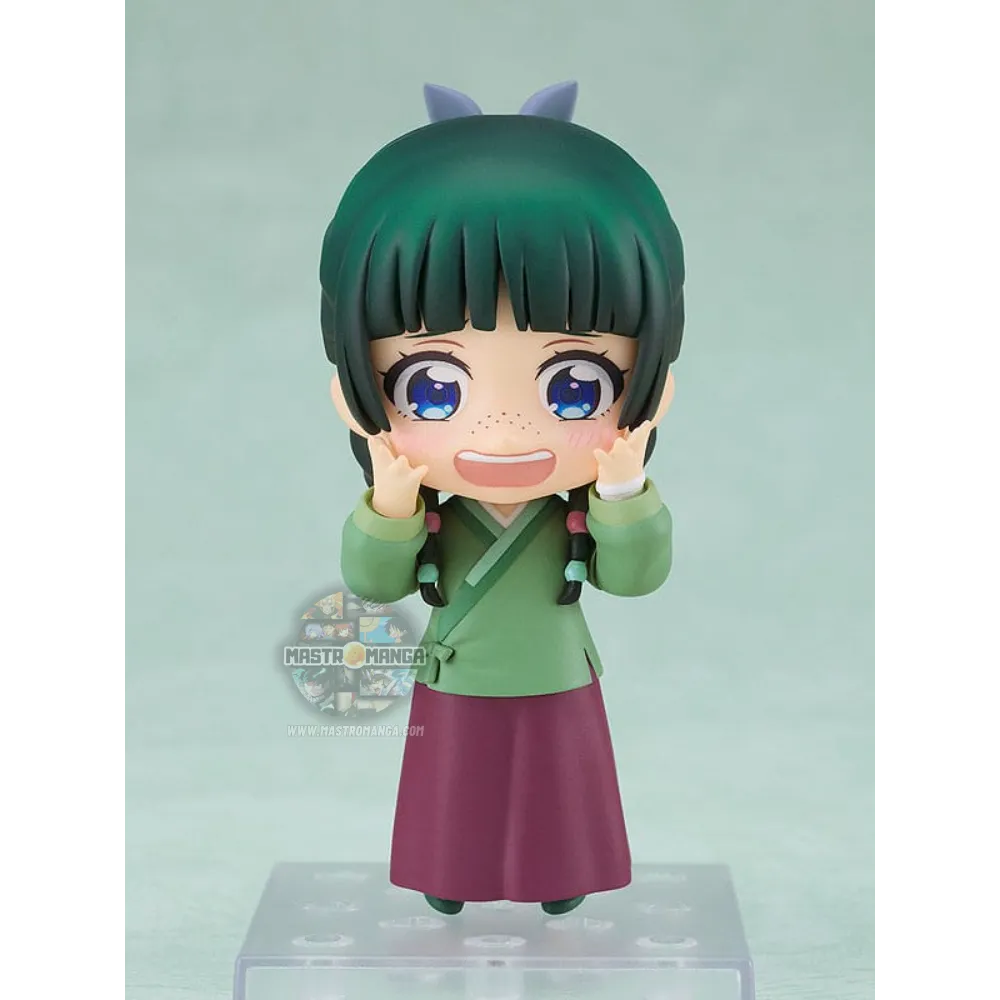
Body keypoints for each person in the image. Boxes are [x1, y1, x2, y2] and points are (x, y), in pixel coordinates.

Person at [320, 82, 684, 916]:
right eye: (433, 388)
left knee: (558, 783)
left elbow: (633, 578)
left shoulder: (577, 507)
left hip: (555, 668)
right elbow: (374, 582)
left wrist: (623, 489)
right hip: (460, 668)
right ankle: (451, 876)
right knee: (458, 784)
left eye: (575, 386)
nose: (506, 430)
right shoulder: (432, 507)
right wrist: (390, 505)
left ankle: (560, 879)